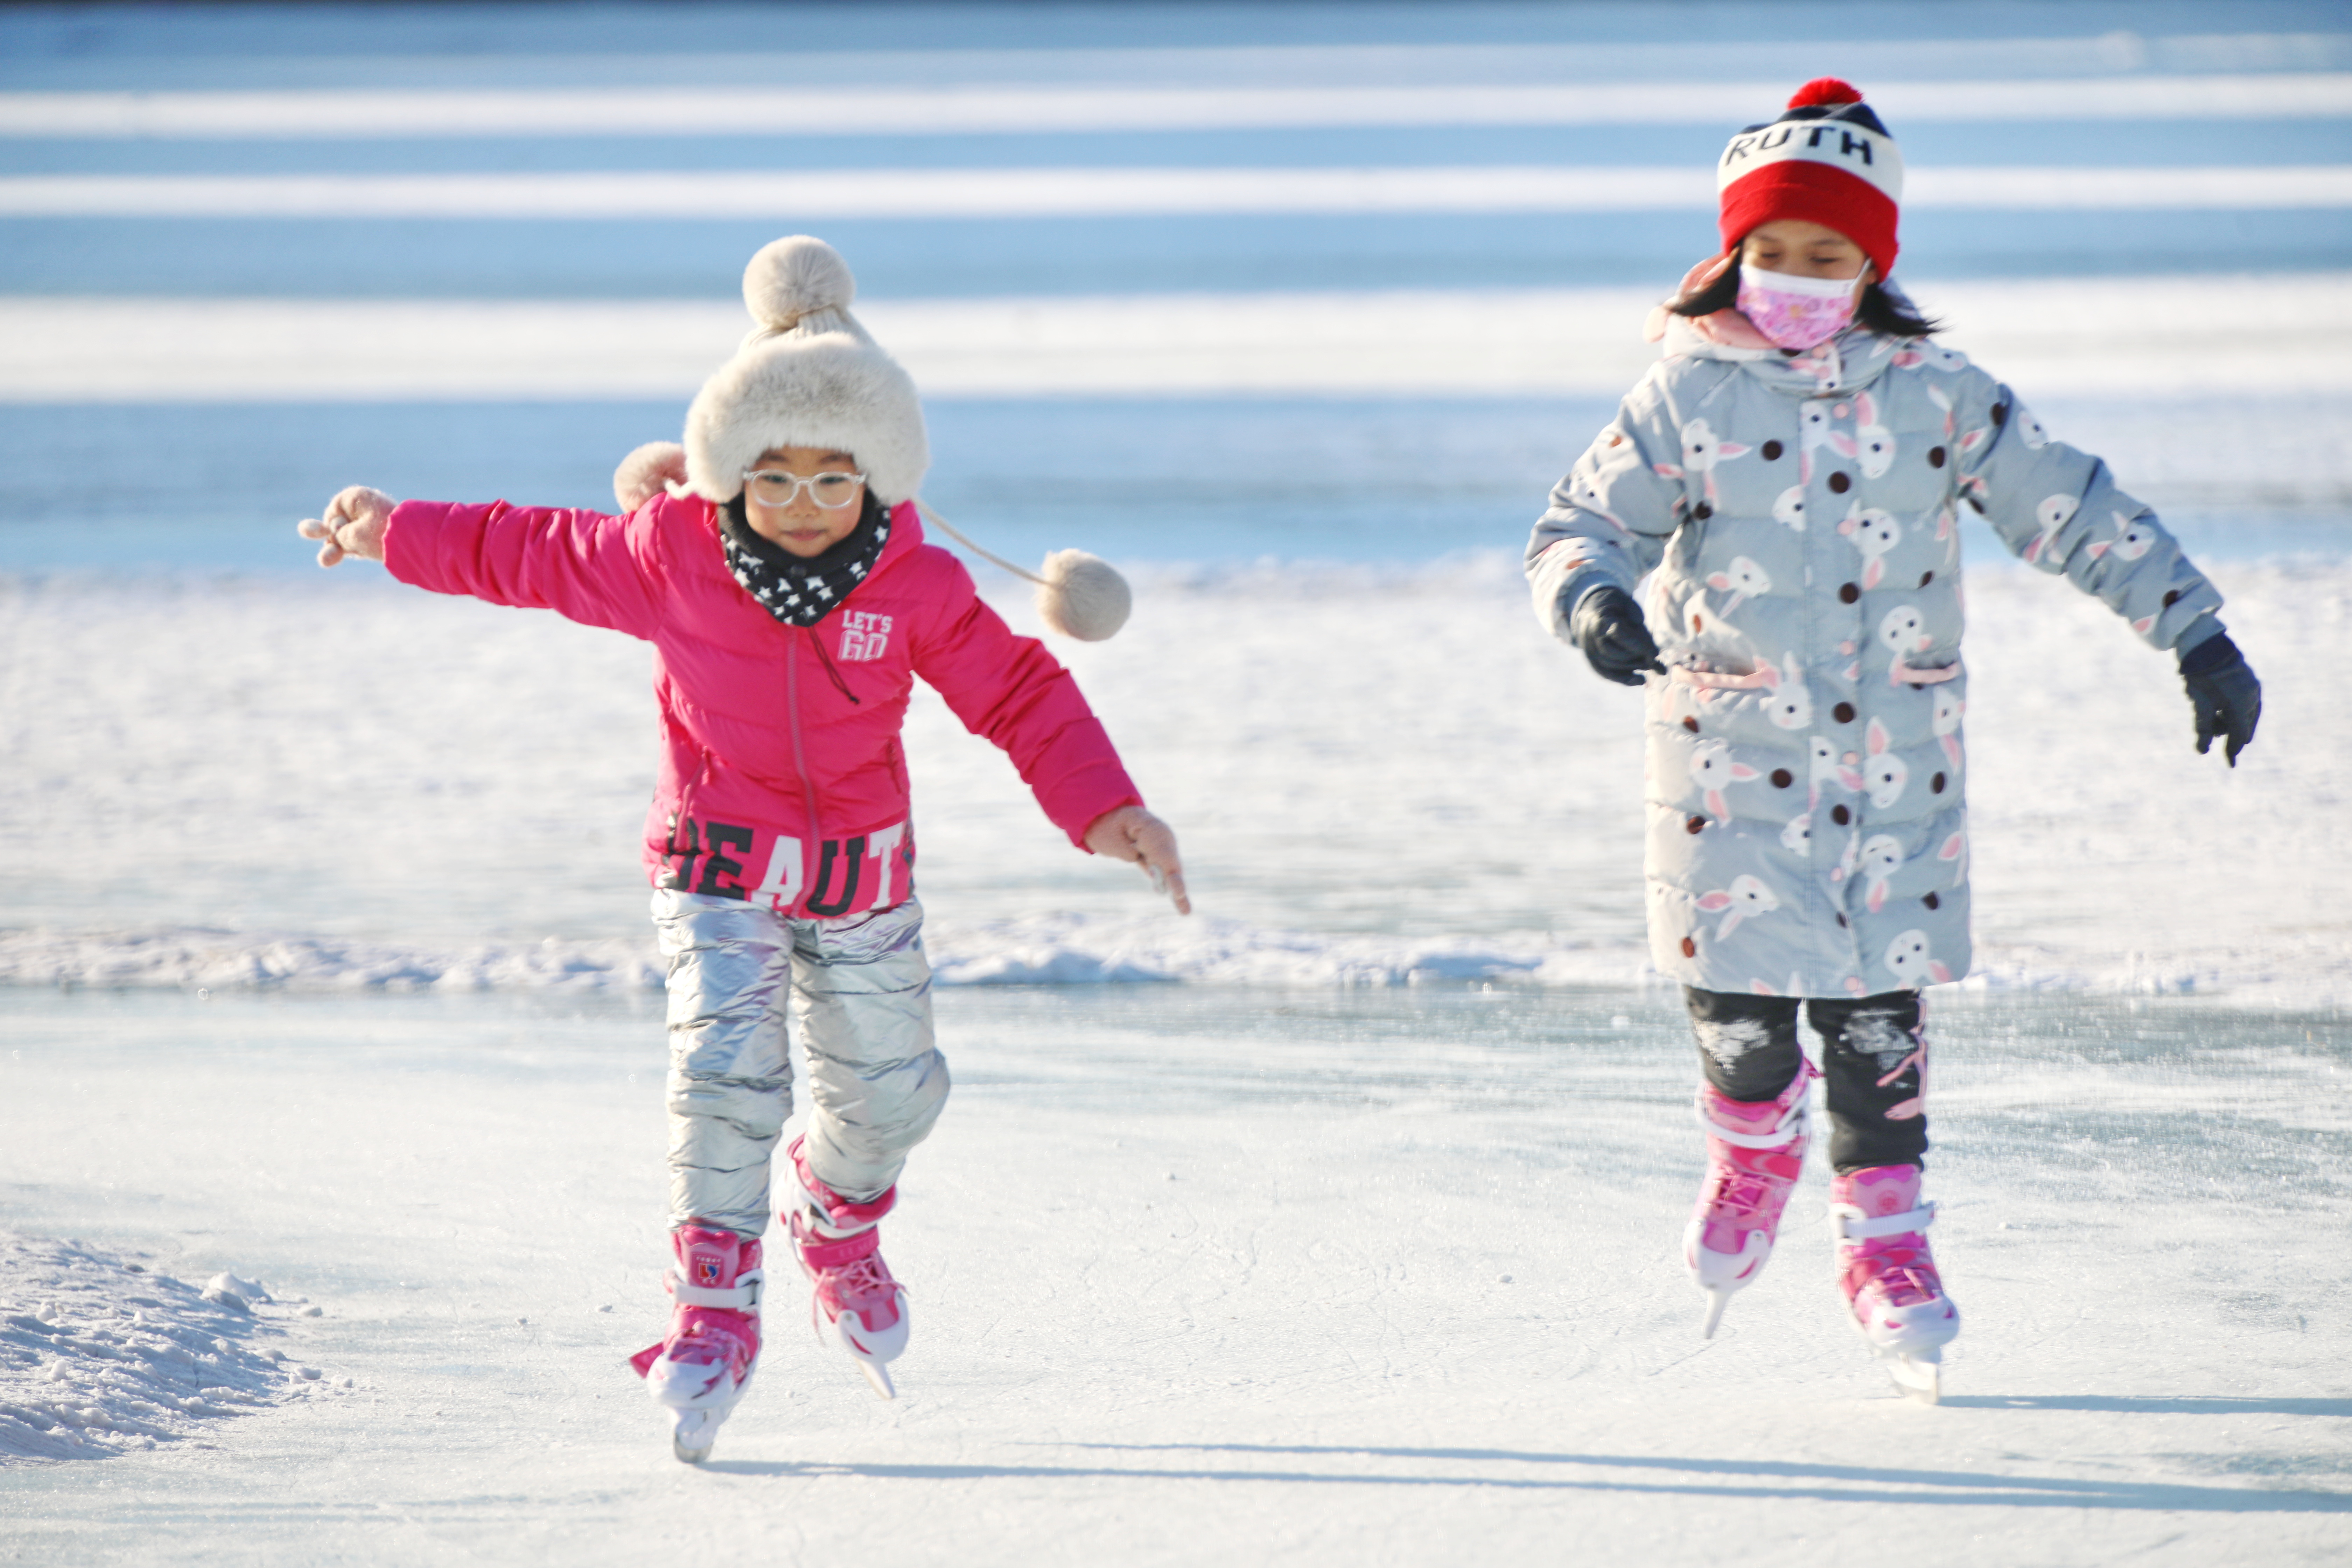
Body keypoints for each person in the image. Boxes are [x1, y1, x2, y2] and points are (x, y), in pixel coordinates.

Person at [298, 236, 1189, 1459]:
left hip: (859, 878)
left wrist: (1108, 812)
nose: (807, 507)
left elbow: (1021, 695)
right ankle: (712, 1308)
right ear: (730, 476)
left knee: (895, 1095)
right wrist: (394, 532)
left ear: (877, 476)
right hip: (715, 865)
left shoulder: (916, 584)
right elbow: (527, 553)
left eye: (837, 481)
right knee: (725, 1073)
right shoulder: (674, 556)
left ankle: (835, 1214)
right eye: (776, 480)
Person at [1524, 81, 2260, 1400]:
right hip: (1727, 769)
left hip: (1894, 776)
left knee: (1877, 1030)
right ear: (1733, 254)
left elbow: (2072, 508)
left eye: (1827, 258)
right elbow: (1583, 521)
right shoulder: (1686, 392)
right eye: (1772, 255)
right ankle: (1751, 1153)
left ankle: (1888, 1246)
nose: (1795, 282)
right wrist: (1590, 600)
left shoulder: (1939, 395)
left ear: (1876, 265)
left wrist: (2194, 633)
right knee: (1740, 1021)